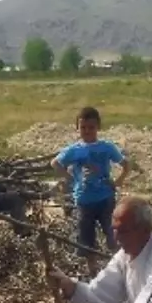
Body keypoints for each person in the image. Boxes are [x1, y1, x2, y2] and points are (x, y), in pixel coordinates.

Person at [52, 107, 130, 274]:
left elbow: (125, 164)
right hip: (83, 200)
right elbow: (55, 163)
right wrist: (71, 178)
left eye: (91, 127)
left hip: (105, 198)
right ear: (78, 128)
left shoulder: (107, 147)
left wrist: (117, 182)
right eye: (83, 127)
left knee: (113, 234)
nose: (87, 131)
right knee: (87, 238)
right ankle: (93, 270)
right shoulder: (74, 150)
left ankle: (121, 267)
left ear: (98, 127)